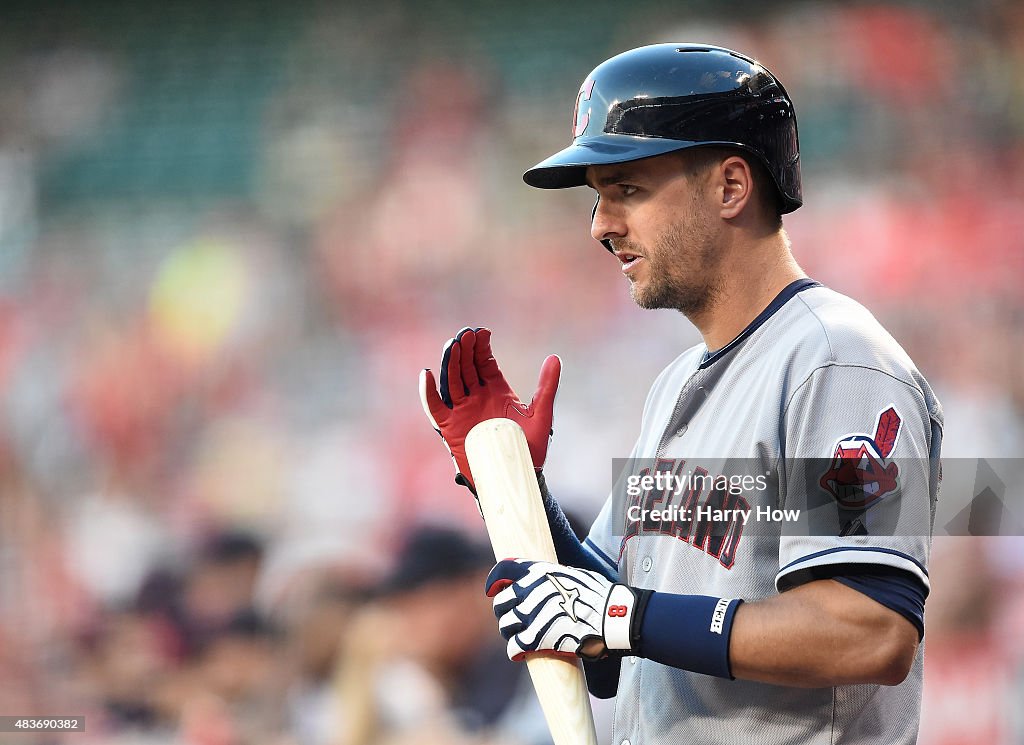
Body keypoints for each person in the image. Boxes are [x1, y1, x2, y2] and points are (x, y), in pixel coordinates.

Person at [420, 43, 943, 745]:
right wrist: (510, 483)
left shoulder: (835, 360)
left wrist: (618, 616)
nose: (601, 225)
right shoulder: (675, 384)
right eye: (600, 197)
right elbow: (615, 639)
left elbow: (868, 629)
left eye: (627, 189)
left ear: (731, 186)